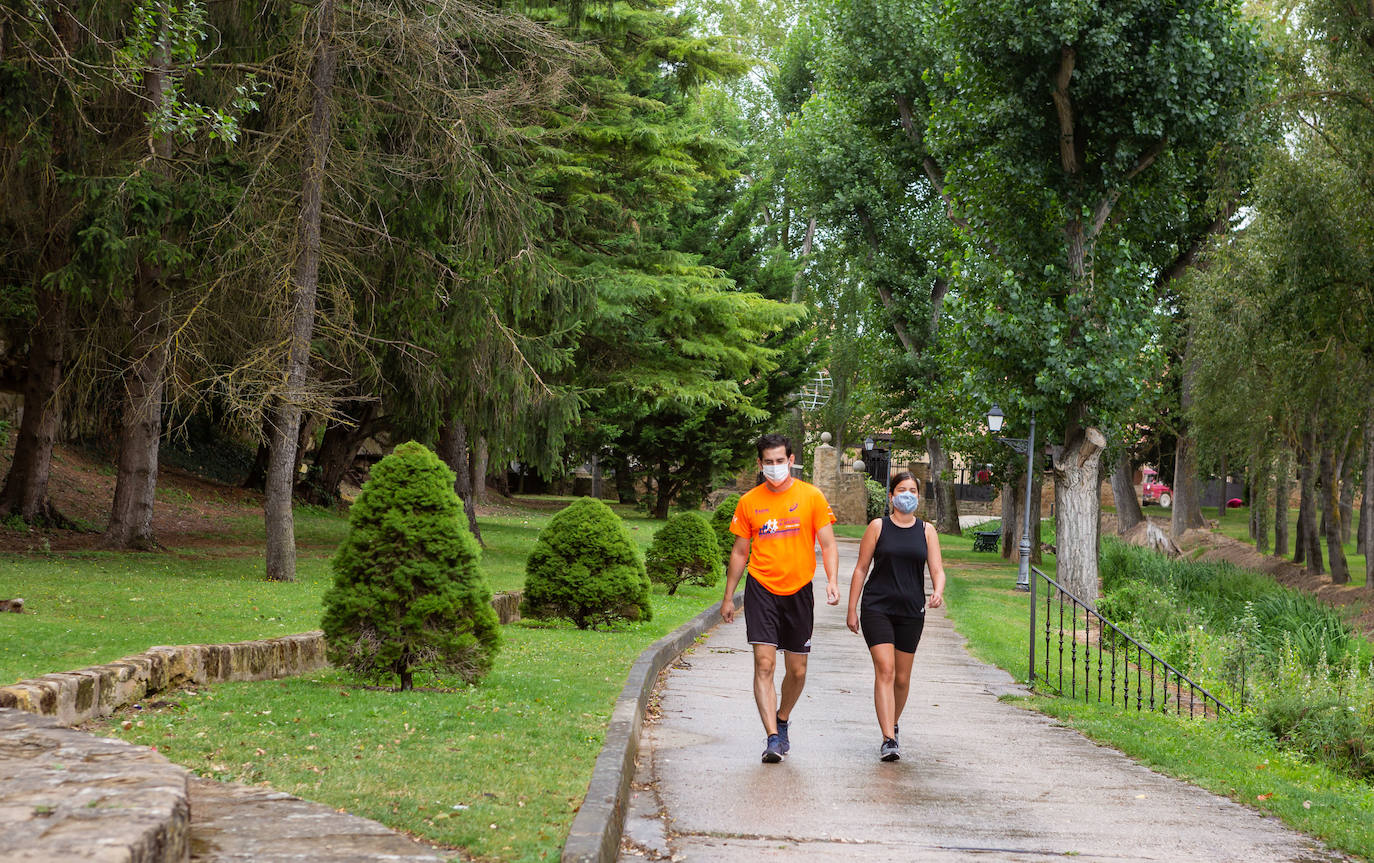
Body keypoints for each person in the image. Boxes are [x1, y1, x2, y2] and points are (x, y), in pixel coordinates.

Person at [720, 433, 839, 763]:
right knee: (764, 664)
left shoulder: (811, 497)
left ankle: (782, 719)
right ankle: (772, 737)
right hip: (761, 589)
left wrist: (831, 580)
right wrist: (729, 597)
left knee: (797, 671)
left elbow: (828, 544)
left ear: (791, 459)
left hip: (799, 590)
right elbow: (740, 551)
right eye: (767, 462)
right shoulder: (749, 502)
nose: (774, 467)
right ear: (760, 464)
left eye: (779, 461)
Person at [845, 472, 946, 761]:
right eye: (902, 490)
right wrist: (852, 608)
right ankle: (888, 738)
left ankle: (894, 723)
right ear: (891, 496)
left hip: (911, 611)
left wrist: (938, 590)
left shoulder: (927, 531)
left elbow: (937, 569)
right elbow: (861, 569)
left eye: (913, 490)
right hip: (877, 607)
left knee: (902, 678)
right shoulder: (878, 527)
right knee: (886, 670)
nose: (908, 494)